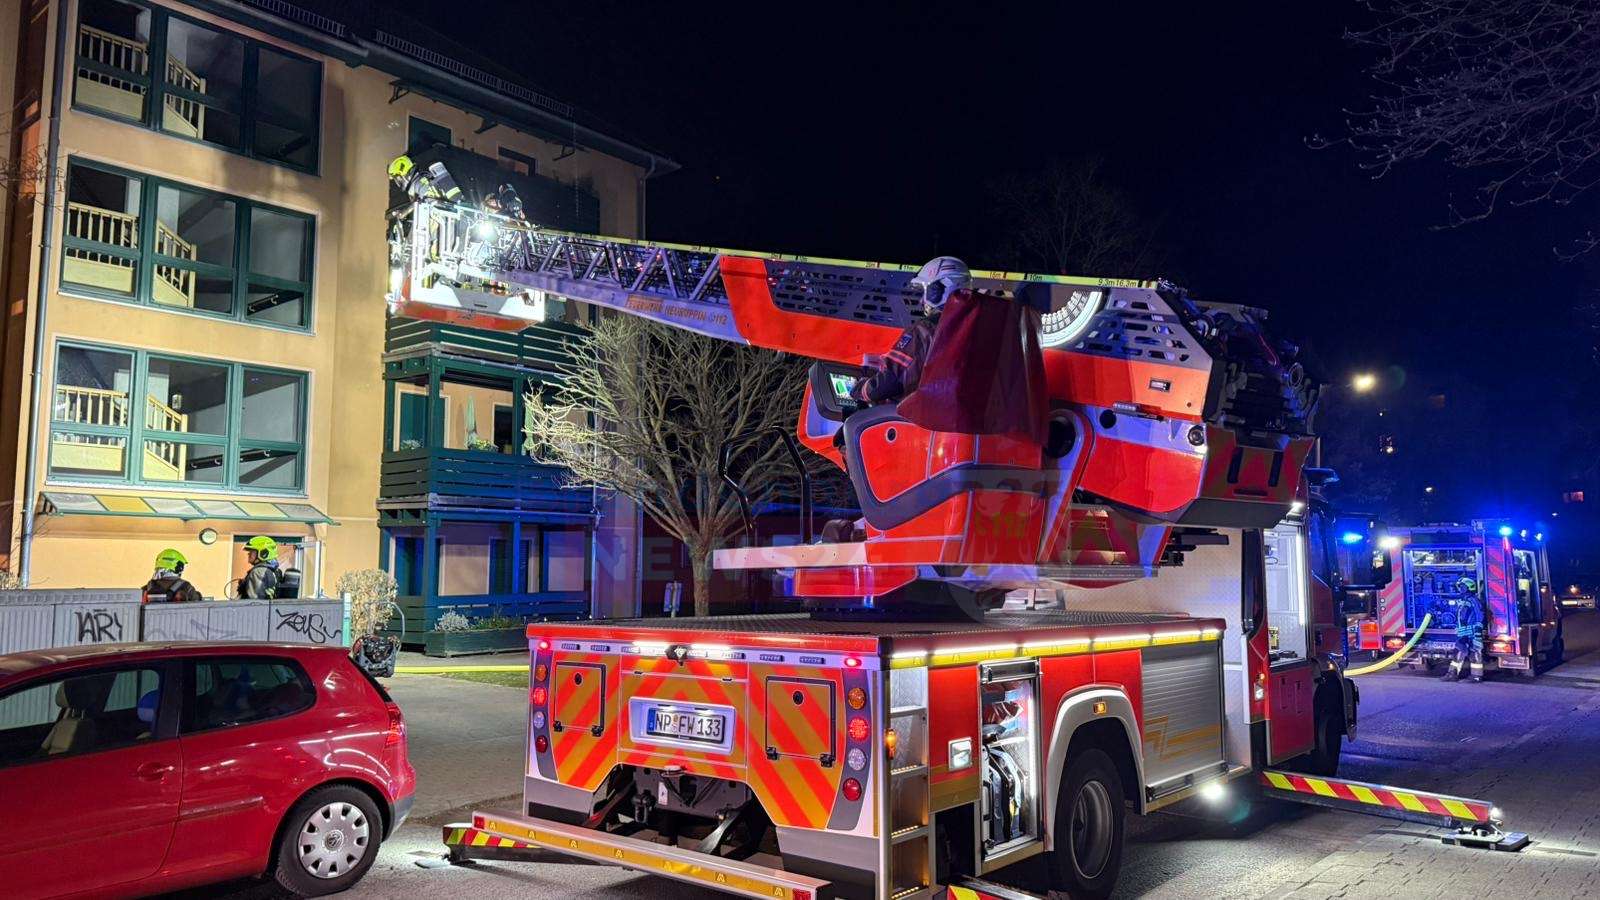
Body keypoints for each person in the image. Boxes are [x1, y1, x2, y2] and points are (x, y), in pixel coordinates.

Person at [850, 256, 970, 405]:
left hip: (923, 417)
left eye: (925, 292)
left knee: (852, 422)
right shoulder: (976, 327)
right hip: (960, 414)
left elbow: (889, 383)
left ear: (936, 291)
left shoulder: (925, 330)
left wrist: (860, 389)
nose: (921, 301)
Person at [1444, 576, 1486, 683]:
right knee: (1458, 651)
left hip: (1472, 631)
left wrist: (1478, 629)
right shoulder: (1463, 600)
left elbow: (1479, 614)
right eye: (1460, 587)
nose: (1461, 589)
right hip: (1463, 631)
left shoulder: (1474, 600)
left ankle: (1476, 676)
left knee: (1474, 652)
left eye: (1463, 587)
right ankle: (1452, 674)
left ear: (1469, 587)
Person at [240, 536, 282, 600]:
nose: (249, 554)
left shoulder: (258, 572)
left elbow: (253, 603)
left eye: (252, 551)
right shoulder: (273, 571)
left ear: (263, 553)